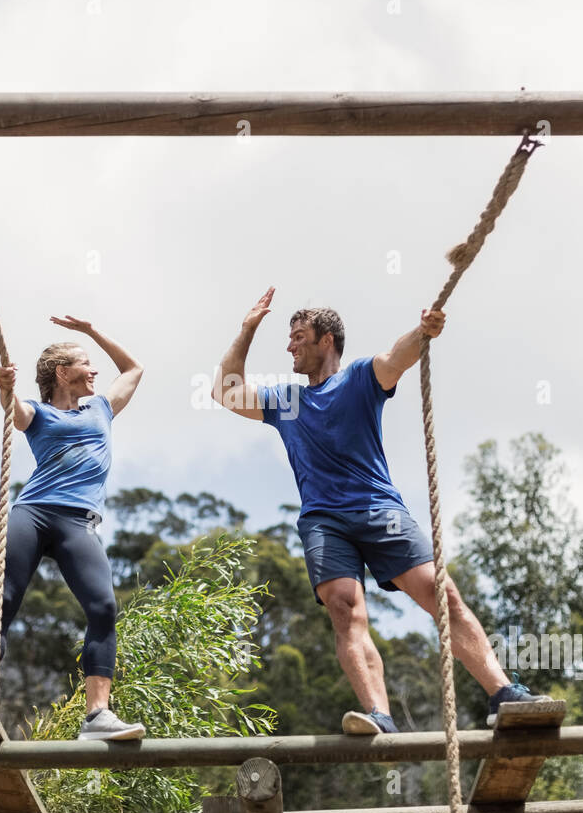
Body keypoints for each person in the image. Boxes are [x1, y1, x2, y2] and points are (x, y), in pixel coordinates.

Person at [213, 287, 550, 733]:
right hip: (324, 521)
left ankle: (502, 693)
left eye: (298, 336)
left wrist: (424, 329)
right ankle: (380, 716)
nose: (290, 346)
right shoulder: (285, 400)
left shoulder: (358, 378)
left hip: (378, 509)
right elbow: (225, 391)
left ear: (326, 340)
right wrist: (247, 329)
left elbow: (398, 356)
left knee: (441, 593)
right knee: (343, 607)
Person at [0, 315, 146, 741]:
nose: (94, 370)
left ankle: (97, 716)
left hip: (78, 522)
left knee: (104, 608)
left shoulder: (101, 407)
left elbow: (133, 369)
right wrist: (6, 388)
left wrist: (92, 331)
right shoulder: (38, 413)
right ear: (62, 373)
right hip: (34, 512)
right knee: (3, 601)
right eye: (85, 363)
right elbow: (16, 414)